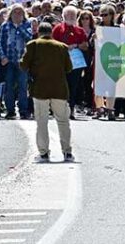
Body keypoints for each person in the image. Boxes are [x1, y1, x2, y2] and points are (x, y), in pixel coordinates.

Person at [20, 22, 74, 163]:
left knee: (42, 121)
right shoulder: (62, 47)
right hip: (59, 88)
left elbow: (24, 65)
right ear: (51, 33)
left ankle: (44, 153)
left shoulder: (32, 45)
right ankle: (67, 152)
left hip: (39, 88)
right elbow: (69, 68)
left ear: (38, 32)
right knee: (63, 121)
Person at [0, 4, 33, 119]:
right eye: (15, 12)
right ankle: (10, 110)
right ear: (10, 14)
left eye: (20, 13)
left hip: (22, 61)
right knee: (9, 86)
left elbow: (30, 38)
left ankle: (23, 110)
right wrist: (3, 57)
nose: (17, 15)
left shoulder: (27, 25)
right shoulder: (5, 26)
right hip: (9, 61)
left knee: (23, 86)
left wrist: (19, 27)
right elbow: (0, 42)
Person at [52, 6, 88, 119]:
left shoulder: (80, 30)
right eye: (69, 15)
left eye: (73, 15)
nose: (71, 17)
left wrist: (76, 45)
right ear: (64, 16)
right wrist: (65, 47)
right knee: (62, 86)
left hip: (76, 64)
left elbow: (85, 46)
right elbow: (52, 44)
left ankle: (71, 109)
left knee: (73, 86)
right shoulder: (58, 29)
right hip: (61, 62)